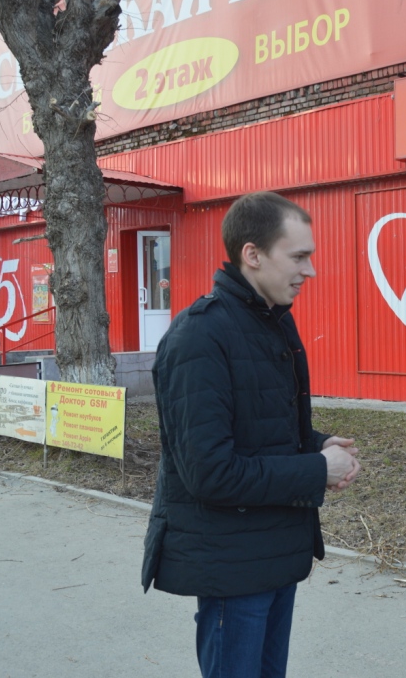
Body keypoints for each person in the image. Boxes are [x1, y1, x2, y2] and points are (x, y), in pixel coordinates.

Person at [142, 191, 361, 678]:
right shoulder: (199, 337)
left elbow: (260, 428)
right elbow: (211, 473)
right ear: (253, 254)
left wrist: (317, 444)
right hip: (233, 569)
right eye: (298, 256)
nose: (310, 271)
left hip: (273, 554)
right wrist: (316, 469)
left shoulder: (270, 323)